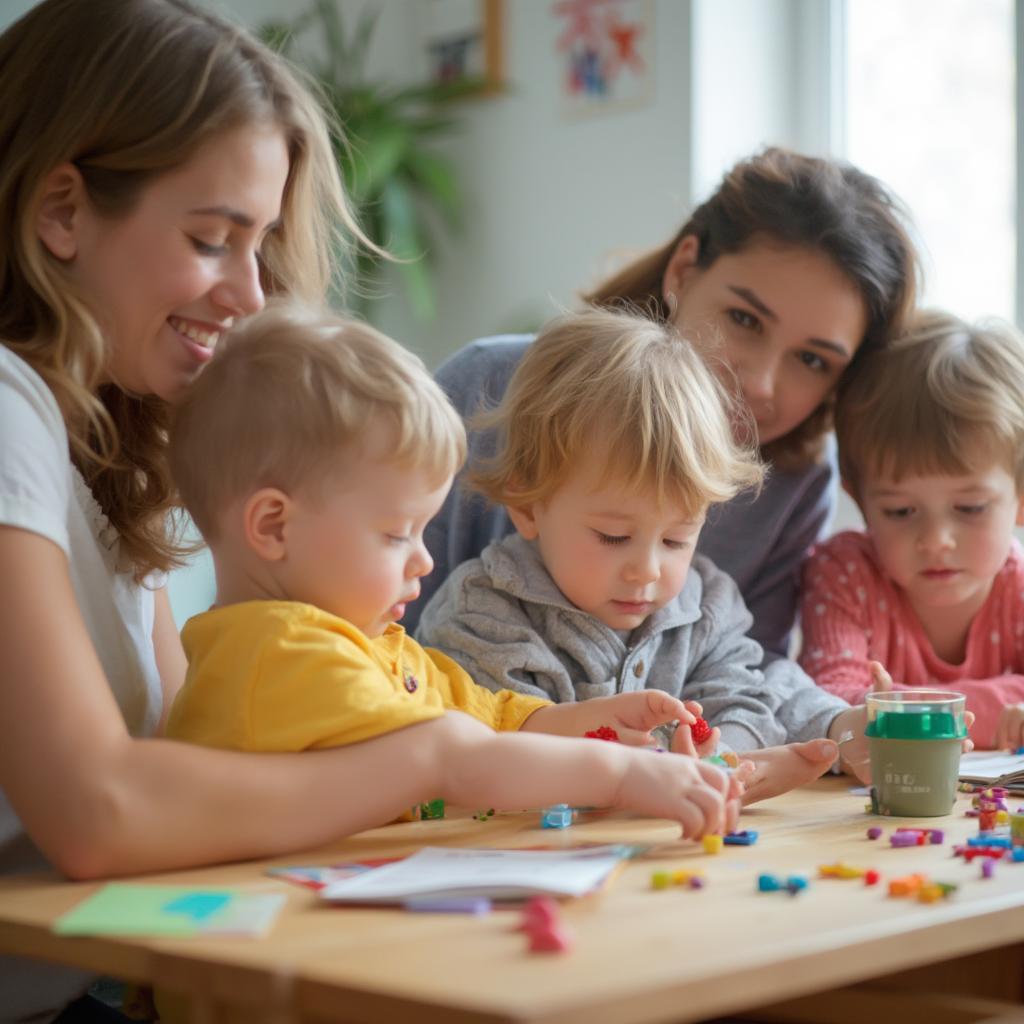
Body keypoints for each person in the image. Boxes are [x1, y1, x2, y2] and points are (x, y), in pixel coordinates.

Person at [0, 2, 691, 1020]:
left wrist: (531, 732)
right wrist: (438, 752)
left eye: (261, 246)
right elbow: (104, 814)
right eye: (209, 239)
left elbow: (197, 770)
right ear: (61, 211)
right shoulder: (7, 405)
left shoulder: (107, 448)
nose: (248, 293)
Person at [164, 301, 741, 833]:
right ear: (273, 527)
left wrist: (592, 720)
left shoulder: (368, 644)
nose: (425, 558)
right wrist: (618, 774)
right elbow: (461, 761)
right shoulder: (278, 656)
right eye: (395, 534)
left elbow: (489, 716)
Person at [406, 148, 919, 674]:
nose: (760, 383)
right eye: (744, 319)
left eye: (812, 360)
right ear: (682, 270)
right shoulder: (488, 382)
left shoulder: (795, 482)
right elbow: (380, 630)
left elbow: (745, 677)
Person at [417, 307, 873, 801]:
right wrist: (645, 773)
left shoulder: (708, 606)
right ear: (528, 507)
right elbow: (492, 752)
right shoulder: (481, 613)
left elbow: (745, 698)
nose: (647, 570)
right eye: (613, 537)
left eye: (677, 539)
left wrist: (723, 759)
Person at [799, 310, 1024, 751]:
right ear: (861, 502)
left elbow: (871, 715)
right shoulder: (844, 572)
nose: (937, 539)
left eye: (970, 507)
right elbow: (830, 704)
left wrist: (897, 709)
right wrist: (990, 709)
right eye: (901, 511)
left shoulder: (1016, 587)